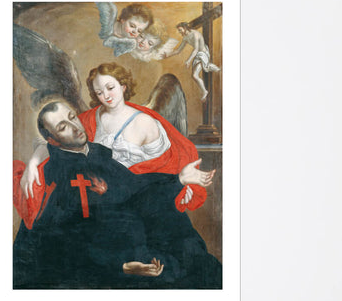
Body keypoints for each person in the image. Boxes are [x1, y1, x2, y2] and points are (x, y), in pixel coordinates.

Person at [13, 100, 222, 290]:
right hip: (102, 266)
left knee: (196, 260)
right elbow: (62, 243)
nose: (75, 127)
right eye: (62, 127)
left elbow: (135, 189)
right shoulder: (52, 176)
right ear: (52, 140)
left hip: (133, 247)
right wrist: (121, 265)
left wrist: (178, 180)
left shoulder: (98, 156)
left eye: (72, 117)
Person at [20, 62, 213, 210]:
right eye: (99, 92)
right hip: (102, 198)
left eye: (110, 88)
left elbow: (165, 163)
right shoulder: (88, 119)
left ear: (123, 86)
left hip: (141, 197)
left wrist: (178, 185)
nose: (106, 96)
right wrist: (32, 164)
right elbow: (55, 142)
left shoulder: (144, 122)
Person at [166, 22, 221, 101]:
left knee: (201, 71)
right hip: (198, 55)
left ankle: (218, 72)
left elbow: (196, 49)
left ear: (185, 28)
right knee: (196, 74)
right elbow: (178, 50)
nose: (180, 32)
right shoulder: (185, 38)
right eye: (179, 30)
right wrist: (168, 54)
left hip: (203, 53)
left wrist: (188, 61)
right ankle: (206, 88)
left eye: (180, 30)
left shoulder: (195, 34)